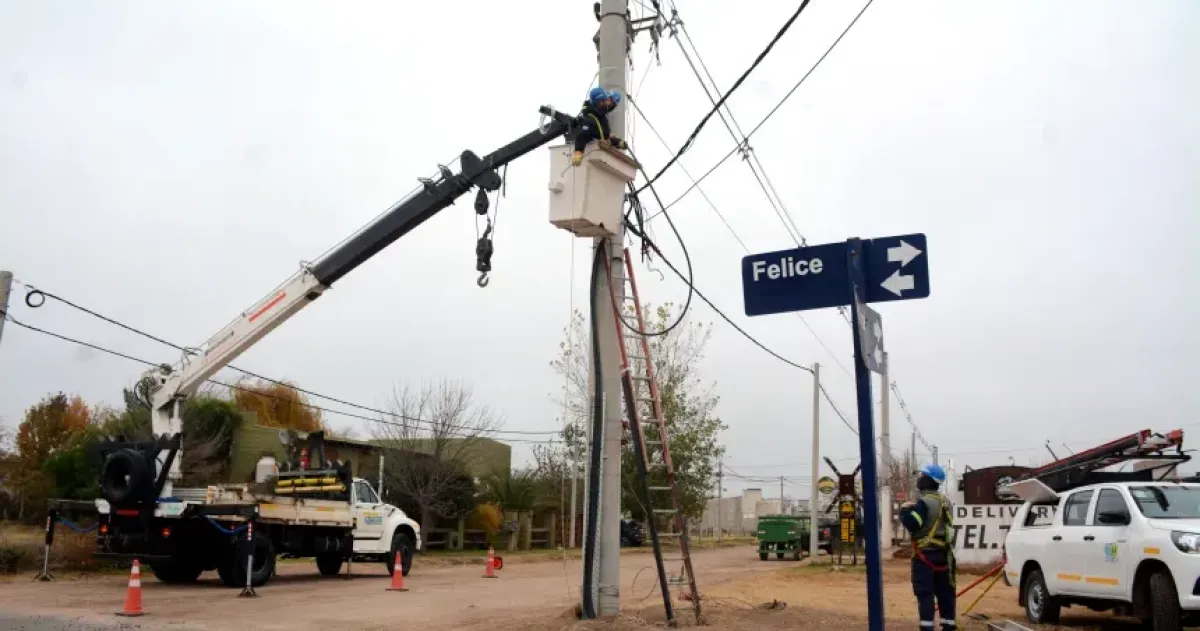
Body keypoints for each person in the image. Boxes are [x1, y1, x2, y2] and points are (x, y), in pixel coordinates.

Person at [900, 463, 956, 630]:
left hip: (925, 557)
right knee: (946, 595)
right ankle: (948, 626)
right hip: (945, 556)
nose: (919, 479)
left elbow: (913, 523)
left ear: (928, 480)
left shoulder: (924, 502)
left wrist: (904, 511)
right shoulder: (946, 501)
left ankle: (927, 627)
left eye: (922, 476)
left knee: (925, 595)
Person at [571, 86, 628, 167]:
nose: (605, 103)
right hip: (593, 161)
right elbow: (582, 136)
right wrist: (578, 151)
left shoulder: (602, 118)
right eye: (602, 101)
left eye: (605, 100)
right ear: (595, 103)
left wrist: (618, 142)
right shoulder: (590, 119)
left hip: (603, 160)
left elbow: (604, 138)